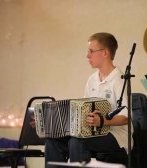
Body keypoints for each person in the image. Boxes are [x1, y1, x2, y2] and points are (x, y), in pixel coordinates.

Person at [44, 32, 130, 166]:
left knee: (77, 141)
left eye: (91, 51)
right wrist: (49, 120)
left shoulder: (120, 80)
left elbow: (127, 116)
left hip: (117, 136)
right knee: (53, 141)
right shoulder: (92, 79)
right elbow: (83, 111)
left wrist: (103, 121)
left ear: (105, 53)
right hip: (93, 133)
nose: (87, 55)